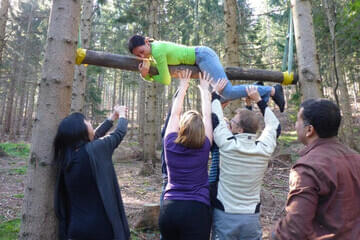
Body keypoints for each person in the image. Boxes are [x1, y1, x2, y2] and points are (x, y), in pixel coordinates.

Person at [271, 99, 360, 240]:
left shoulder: (307, 168)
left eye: (298, 121)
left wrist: (276, 234)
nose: (295, 125)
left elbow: (294, 229)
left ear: (309, 130)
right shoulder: (356, 158)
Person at [128, 35, 285, 112]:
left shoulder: (158, 50)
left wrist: (145, 75)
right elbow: (161, 74)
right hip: (200, 59)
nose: (142, 56)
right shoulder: (154, 52)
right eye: (138, 55)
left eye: (142, 51)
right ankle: (259, 89)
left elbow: (165, 79)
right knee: (222, 98)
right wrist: (147, 73)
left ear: (147, 43)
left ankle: (272, 90)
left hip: (202, 56)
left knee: (227, 92)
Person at [211, 84, 280, 240]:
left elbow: (215, 119)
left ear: (239, 130)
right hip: (251, 217)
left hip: (225, 214)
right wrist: (259, 101)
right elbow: (275, 126)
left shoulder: (227, 144)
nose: (229, 124)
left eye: (232, 123)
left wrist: (215, 96)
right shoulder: (263, 148)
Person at [54, 106, 130, 240]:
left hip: (75, 229)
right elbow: (119, 133)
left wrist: (111, 118)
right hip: (101, 229)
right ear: (80, 129)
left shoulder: (66, 157)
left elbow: (94, 137)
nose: (90, 123)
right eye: (87, 121)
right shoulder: (94, 150)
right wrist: (123, 114)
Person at [158, 69, 213, 240]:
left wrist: (183, 86)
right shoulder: (205, 145)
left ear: (181, 128)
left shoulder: (169, 143)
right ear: (201, 131)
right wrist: (204, 90)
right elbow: (207, 116)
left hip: (170, 209)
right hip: (197, 210)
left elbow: (175, 114)